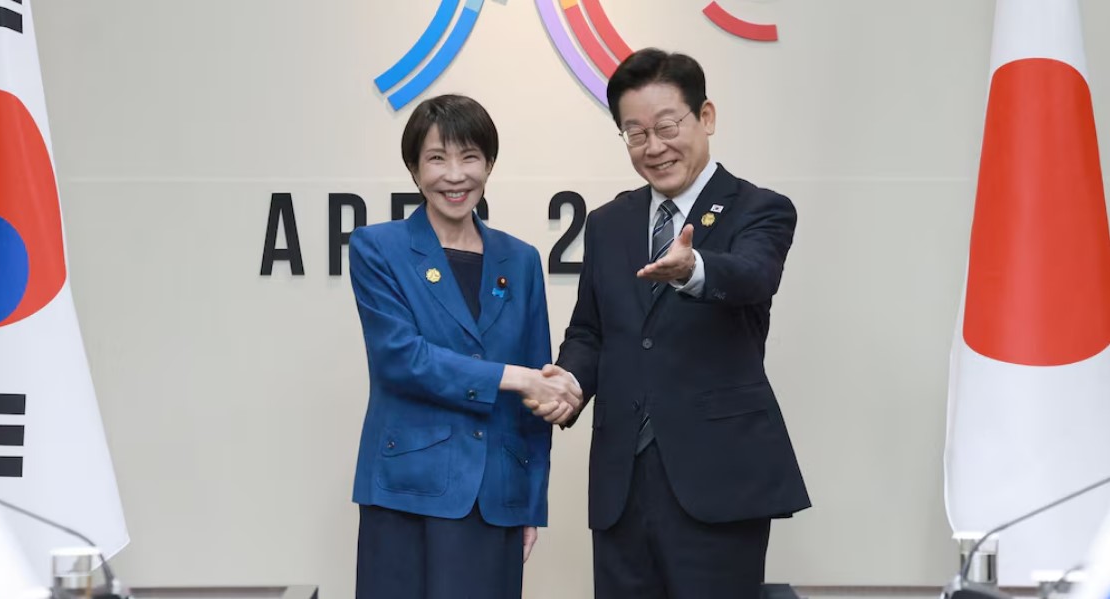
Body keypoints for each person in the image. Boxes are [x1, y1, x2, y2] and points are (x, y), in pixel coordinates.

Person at [554, 48, 812, 598]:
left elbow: (754, 275)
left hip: (718, 480)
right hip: (622, 481)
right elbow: (591, 331)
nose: (654, 147)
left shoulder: (759, 208)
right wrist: (570, 381)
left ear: (706, 117)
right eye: (635, 133)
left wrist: (693, 268)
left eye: (667, 126)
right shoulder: (608, 223)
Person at [347, 93, 581, 599]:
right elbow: (400, 360)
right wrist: (514, 377)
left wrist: (530, 503)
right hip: (407, 491)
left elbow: (537, 394)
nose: (455, 175)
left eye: (469, 157)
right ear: (414, 169)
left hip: (495, 496)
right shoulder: (377, 247)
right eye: (437, 158)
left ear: (489, 164)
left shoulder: (521, 259)